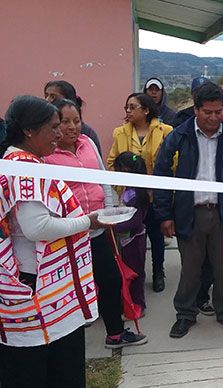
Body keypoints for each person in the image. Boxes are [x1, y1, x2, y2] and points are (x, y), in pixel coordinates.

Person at [0, 96, 101, 387]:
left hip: (46, 286)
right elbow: (37, 227)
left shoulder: (26, 162)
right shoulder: (23, 166)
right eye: (53, 127)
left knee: (57, 361)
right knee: (44, 368)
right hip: (36, 287)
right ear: (30, 131)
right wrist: (89, 222)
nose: (60, 134)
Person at [153, 81, 223, 338]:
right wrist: (165, 214)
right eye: (208, 112)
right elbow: (161, 173)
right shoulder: (179, 136)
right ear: (196, 110)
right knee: (190, 269)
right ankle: (185, 315)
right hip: (190, 214)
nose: (214, 118)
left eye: (219, 112)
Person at [44, 98, 147, 349]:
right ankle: (68, 339)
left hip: (98, 229)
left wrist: (109, 212)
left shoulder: (88, 143)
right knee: (72, 286)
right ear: (54, 124)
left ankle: (115, 333)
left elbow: (102, 180)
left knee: (110, 279)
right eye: (65, 122)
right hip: (68, 234)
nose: (72, 127)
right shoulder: (47, 156)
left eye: (77, 120)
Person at [107, 92, 173, 293]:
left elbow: (174, 162)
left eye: (132, 107)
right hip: (132, 199)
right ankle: (135, 275)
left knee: (156, 235)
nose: (128, 111)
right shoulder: (120, 133)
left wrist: (165, 188)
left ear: (145, 110)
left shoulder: (165, 131)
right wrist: (123, 189)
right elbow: (112, 163)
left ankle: (158, 272)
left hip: (155, 196)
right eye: (126, 107)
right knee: (134, 238)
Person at [113, 151, 151, 311]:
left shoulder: (134, 193)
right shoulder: (131, 190)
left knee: (135, 273)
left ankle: (138, 305)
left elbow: (135, 220)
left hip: (133, 239)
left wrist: (113, 225)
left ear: (127, 171)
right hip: (128, 239)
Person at [44, 79, 102, 154]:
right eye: (46, 96)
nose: (47, 100)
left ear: (68, 100)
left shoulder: (87, 135)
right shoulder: (41, 130)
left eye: (53, 97)